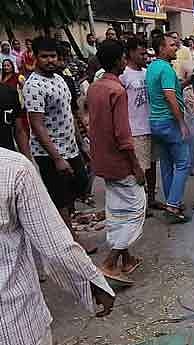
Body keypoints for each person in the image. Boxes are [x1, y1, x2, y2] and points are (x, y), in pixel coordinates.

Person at [0, 149, 116, 345]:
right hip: (15, 332)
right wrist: (93, 285)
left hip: (14, 330)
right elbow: (55, 244)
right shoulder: (13, 169)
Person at [23, 37, 95, 253]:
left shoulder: (60, 79)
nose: (49, 60)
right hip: (50, 153)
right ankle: (71, 242)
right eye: (44, 56)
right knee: (60, 197)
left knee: (81, 184)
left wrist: (82, 144)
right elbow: (36, 125)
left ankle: (64, 224)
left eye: (52, 56)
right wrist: (57, 158)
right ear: (35, 58)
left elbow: (70, 113)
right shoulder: (33, 86)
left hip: (71, 146)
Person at [87, 40, 147, 282]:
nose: (126, 61)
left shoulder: (94, 88)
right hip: (119, 161)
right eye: (123, 57)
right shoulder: (117, 90)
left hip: (102, 160)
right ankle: (111, 262)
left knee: (117, 208)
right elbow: (123, 136)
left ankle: (127, 258)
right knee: (136, 209)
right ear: (117, 61)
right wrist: (136, 167)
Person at [146, 34, 191, 223]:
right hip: (168, 122)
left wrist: (187, 82)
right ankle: (172, 206)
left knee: (166, 165)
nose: (176, 47)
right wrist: (181, 123)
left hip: (156, 122)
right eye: (172, 45)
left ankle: (172, 202)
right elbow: (169, 96)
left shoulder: (152, 67)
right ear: (161, 48)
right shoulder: (164, 68)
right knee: (183, 163)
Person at [121, 37, 161, 211]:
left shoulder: (148, 73)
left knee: (152, 166)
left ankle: (151, 199)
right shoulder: (124, 76)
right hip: (135, 129)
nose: (145, 56)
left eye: (146, 52)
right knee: (139, 169)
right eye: (141, 52)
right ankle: (140, 205)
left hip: (151, 125)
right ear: (130, 53)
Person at [0, 79, 29, 157]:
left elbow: (19, 130)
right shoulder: (10, 91)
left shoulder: (10, 92)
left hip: (7, 154)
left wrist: (27, 160)